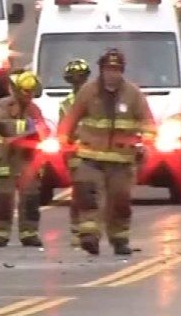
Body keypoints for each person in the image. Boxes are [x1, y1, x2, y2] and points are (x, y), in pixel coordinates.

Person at [60, 48, 155, 256]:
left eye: (116, 70)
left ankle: (119, 239)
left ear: (122, 71)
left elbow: (148, 123)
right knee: (88, 196)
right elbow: (70, 120)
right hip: (89, 157)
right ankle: (89, 236)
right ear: (101, 71)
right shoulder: (88, 92)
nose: (112, 74)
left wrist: (145, 143)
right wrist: (63, 142)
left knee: (119, 200)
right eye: (108, 69)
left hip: (121, 160)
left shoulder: (133, 94)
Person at [0, 70, 50, 247]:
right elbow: (2, 125)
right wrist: (29, 127)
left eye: (31, 92)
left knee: (30, 196)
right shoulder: (2, 106)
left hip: (27, 159)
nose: (29, 96)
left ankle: (29, 233)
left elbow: (43, 129)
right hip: (4, 158)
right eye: (25, 91)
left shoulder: (34, 109)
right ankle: (0, 234)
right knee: (4, 197)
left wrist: (39, 131)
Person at [59, 58, 91, 240]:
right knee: (79, 192)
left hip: (95, 152)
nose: (78, 82)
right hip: (75, 155)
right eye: (74, 78)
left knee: (93, 193)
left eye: (81, 77)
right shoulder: (66, 104)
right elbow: (63, 131)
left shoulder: (95, 99)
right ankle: (76, 229)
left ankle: (89, 228)